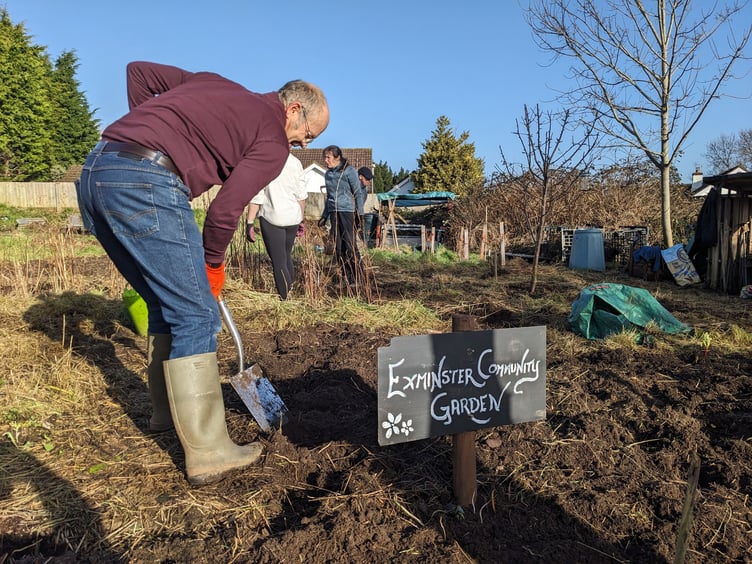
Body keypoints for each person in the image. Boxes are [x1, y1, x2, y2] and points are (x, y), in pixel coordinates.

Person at [76, 61, 329, 486]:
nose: (304, 144)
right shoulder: (272, 144)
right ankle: (210, 451)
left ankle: (164, 416)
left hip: (96, 173)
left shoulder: (214, 83)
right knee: (196, 315)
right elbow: (224, 211)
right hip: (146, 180)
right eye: (309, 134)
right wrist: (213, 269)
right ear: (295, 108)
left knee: (164, 302)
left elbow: (138, 72)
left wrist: (151, 129)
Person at [245, 153, 307, 300]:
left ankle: (284, 299)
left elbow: (257, 196)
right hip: (293, 217)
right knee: (286, 257)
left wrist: (249, 222)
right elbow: (301, 195)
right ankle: (290, 293)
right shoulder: (295, 162)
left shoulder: (265, 159)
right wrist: (301, 219)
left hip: (272, 217)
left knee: (279, 261)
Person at [321, 146, 364, 286]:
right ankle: (346, 277)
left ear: (337, 158)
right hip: (334, 213)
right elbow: (329, 197)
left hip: (347, 212)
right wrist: (324, 215)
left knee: (350, 246)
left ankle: (358, 277)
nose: (325, 160)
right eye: (325, 157)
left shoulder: (349, 171)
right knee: (338, 248)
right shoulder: (328, 175)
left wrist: (360, 214)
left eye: (328, 157)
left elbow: (358, 193)